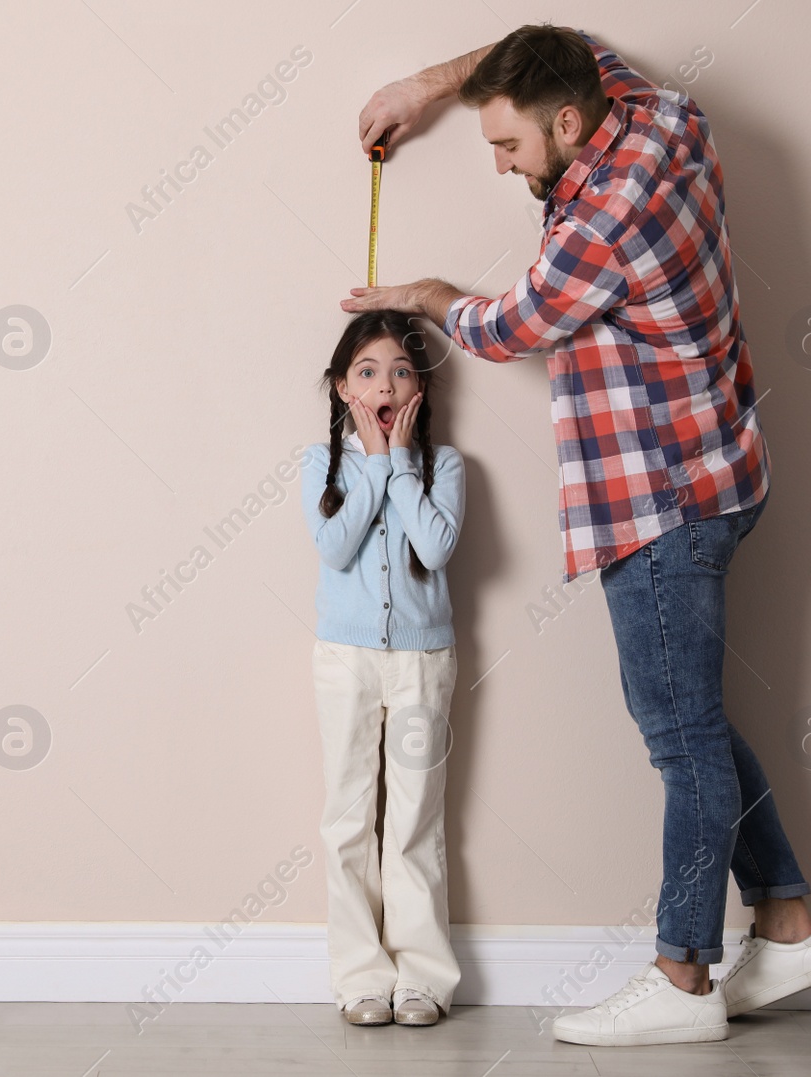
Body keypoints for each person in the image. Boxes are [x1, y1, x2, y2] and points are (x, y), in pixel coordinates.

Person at [343, 24, 811, 1046]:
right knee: (693, 723)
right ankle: (788, 922)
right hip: (719, 469)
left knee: (677, 737)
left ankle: (683, 976)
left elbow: (505, 326)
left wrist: (423, 294)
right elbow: (561, 39)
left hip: (659, 501)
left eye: (509, 148)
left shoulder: (597, 230)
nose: (498, 164)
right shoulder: (661, 120)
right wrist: (434, 86)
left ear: (567, 124)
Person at [300, 310, 466, 1027]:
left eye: (401, 369)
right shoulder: (319, 464)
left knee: (414, 821)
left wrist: (397, 463)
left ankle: (423, 978)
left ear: (419, 389)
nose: (385, 382)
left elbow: (434, 547)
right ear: (344, 388)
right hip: (345, 658)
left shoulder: (445, 466)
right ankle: (360, 977)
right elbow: (334, 548)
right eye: (367, 371)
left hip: (423, 661)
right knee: (346, 817)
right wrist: (370, 462)